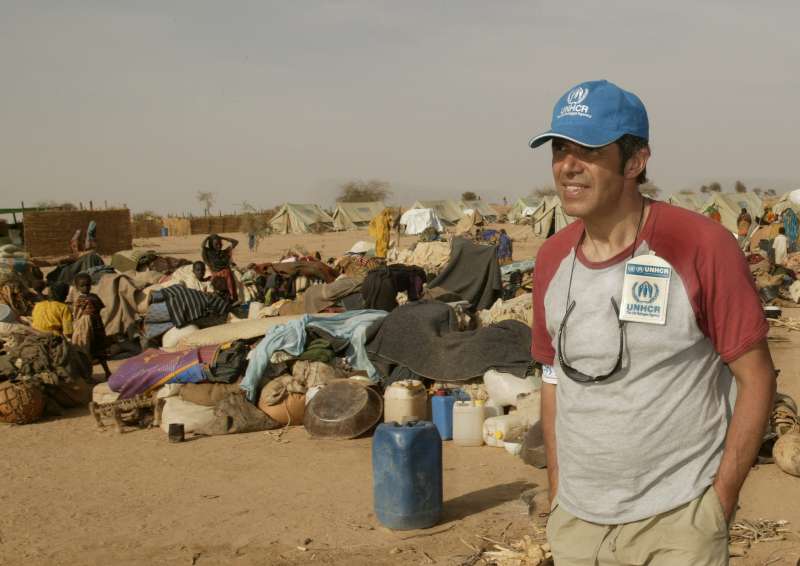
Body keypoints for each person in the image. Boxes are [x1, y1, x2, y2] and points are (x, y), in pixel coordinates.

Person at [528, 80, 775, 565]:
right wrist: (559, 492)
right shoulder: (552, 258)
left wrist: (717, 504)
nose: (567, 165)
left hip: (677, 520)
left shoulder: (699, 245)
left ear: (635, 161)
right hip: (578, 524)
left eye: (590, 149)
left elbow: (757, 377)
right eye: (559, 148)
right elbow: (553, 377)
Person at [71, 272, 111, 378]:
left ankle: (106, 371)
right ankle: (92, 373)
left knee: (98, 351)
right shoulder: (83, 299)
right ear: (77, 287)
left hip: (96, 327)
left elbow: (76, 314)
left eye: (88, 285)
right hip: (88, 328)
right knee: (90, 351)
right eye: (82, 286)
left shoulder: (87, 298)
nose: (86, 288)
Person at [201, 233, 238, 302]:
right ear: (211, 244)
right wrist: (207, 238)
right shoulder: (208, 254)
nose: (219, 246)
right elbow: (202, 246)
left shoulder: (224, 252)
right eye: (216, 244)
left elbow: (235, 242)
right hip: (216, 276)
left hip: (227, 276)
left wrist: (222, 237)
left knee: (232, 294)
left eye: (220, 243)